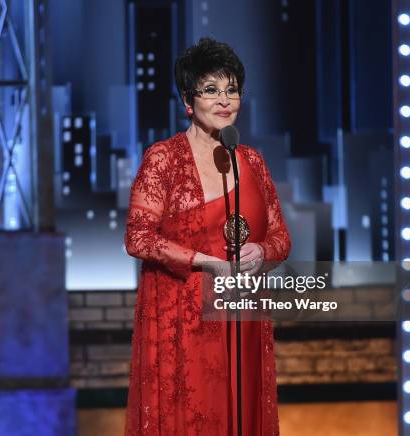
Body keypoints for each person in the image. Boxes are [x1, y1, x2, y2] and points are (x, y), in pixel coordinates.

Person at [124, 37, 291, 436]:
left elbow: (282, 237)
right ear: (188, 100)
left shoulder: (251, 160)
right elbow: (138, 237)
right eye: (211, 90)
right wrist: (204, 260)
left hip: (243, 318)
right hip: (184, 321)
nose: (224, 100)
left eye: (232, 90)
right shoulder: (163, 158)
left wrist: (262, 250)